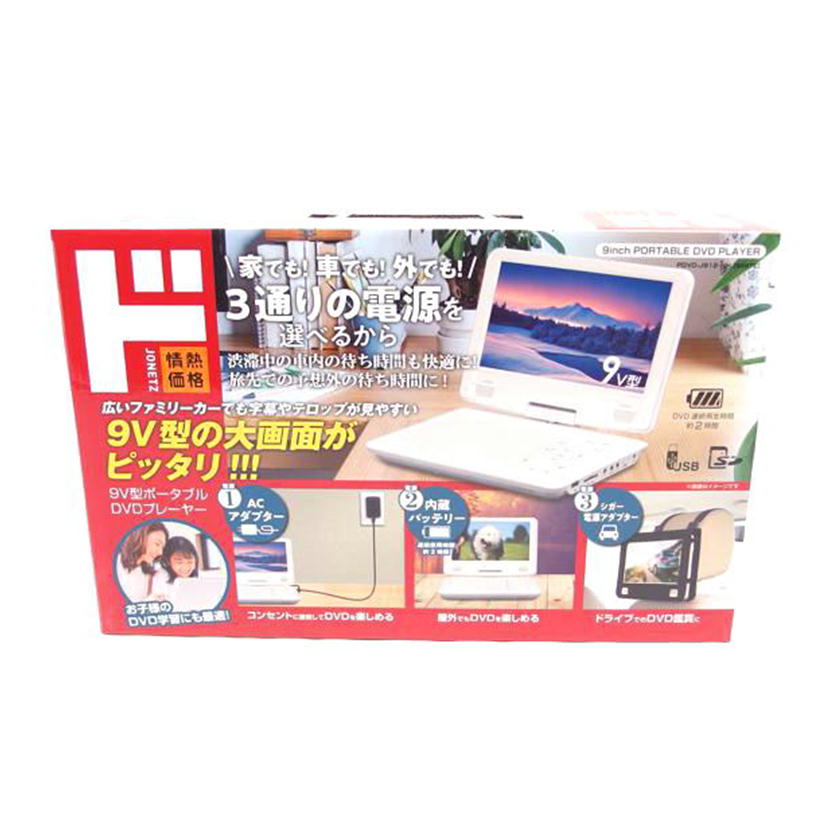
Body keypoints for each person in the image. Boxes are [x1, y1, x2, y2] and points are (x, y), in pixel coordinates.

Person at [116, 522, 169, 603]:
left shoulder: (149, 574)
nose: (160, 552)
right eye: (157, 544)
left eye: (162, 547)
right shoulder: (116, 564)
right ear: (141, 538)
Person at [153, 536, 200, 606]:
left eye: (190, 562)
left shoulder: (199, 579)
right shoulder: (160, 577)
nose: (185, 567)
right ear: (167, 561)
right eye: (179, 562)